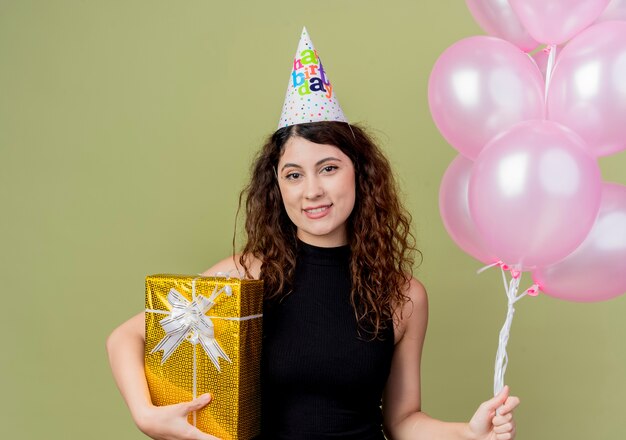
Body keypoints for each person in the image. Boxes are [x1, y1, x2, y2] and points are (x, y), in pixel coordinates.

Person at [107, 28, 520, 440]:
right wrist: (147, 415)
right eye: (293, 175)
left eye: (328, 168)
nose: (312, 191)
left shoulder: (404, 296)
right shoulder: (243, 277)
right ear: (277, 186)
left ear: (360, 173)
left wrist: (469, 433)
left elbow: (402, 421)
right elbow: (125, 337)